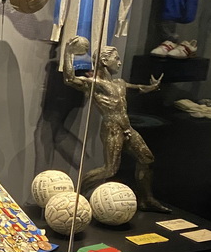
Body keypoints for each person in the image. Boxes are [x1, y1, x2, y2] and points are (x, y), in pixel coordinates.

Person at [62, 38, 170, 211]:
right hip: (112, 128)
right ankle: (78, 196)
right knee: (110, 169)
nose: (119, 63)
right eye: (116, 59)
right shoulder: (94, 84)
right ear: (104, 61)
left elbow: (139, 88)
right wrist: (68, 53)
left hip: (127, 127)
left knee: (147, 159)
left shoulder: (119, 83)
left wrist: (153, 86)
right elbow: (69, 79)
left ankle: (146, 199)